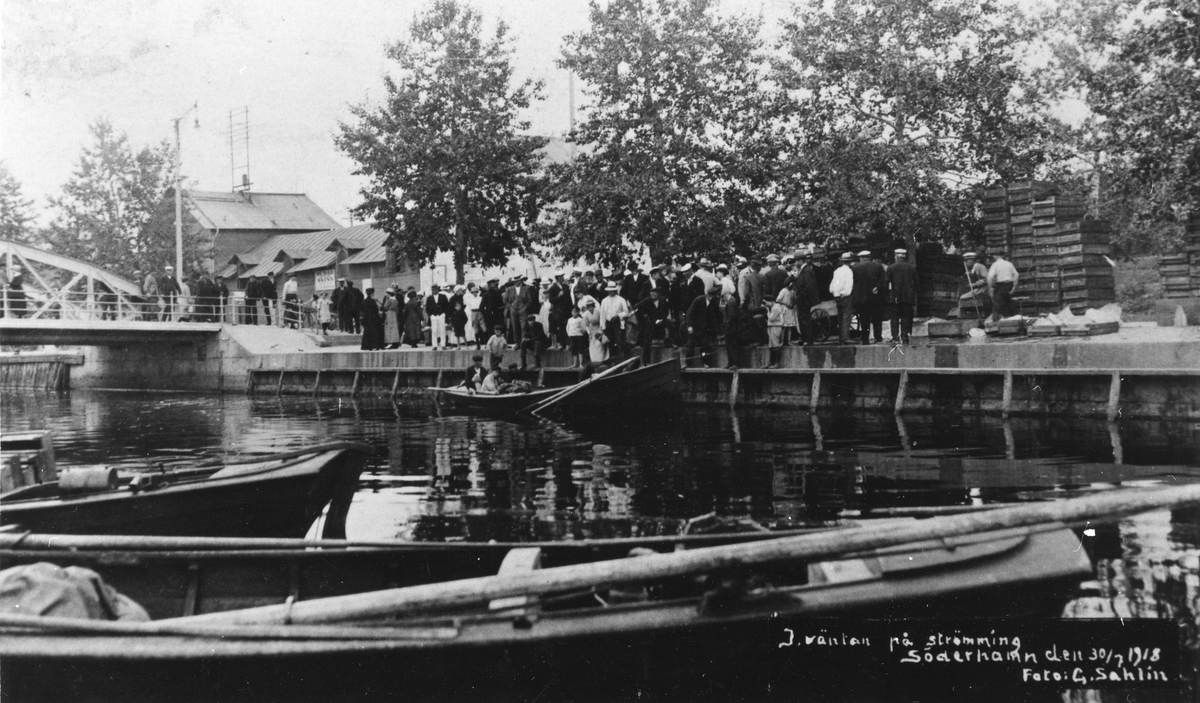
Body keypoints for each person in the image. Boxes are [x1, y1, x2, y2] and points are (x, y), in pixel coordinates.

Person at [851, 250, 885, 345]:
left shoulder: (855, 268)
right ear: (869, 256)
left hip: (862, 298)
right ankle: (878, 337)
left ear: (861, 258)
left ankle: (865, 339)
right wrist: (877, 287)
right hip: (875, 297)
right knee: (877, 318)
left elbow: (853, 283)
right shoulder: (878, 266)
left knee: (864, 319)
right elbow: (883, 280)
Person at [685, 285, 723, 368]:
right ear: (709, 295)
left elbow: (715, 316)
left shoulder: (714, 302)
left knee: (705, 345)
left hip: (704, 328)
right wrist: (689, 326)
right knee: (691, 345)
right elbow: (689, 313)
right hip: (694, 327)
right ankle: (688, 363)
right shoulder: (699, 300)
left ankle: (705, 362)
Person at [888, 249, 918, 344]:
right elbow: (916, 283)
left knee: (894, 318)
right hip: (908, 298)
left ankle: (895, 337)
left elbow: (887, 282)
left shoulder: (891, 267)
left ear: (896, 257)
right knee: (906, 317)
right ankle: (905, 337)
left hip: (895, 297)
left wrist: (889, 295)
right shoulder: (911, 268)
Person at [634, 287, 671, 364]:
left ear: (658, 294)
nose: (653, 295)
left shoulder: (663, 300)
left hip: (660, 320)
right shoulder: (646, 301)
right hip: (650, 322)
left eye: (655, 293)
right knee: (647, 339)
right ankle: (645, 360)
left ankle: (669, 344)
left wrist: (662, 319)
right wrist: (644, 314)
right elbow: (637, 307)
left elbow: (666, 311)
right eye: (652, 293)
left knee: (669, 325)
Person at [792, 252, 820, 346]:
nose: (795, 263)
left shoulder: (806, 270)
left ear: (800, 260)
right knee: (803, 319)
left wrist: (800, 296)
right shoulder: (803, 270)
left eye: (796, 261)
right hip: (803, 299)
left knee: (805, 319)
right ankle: (805, 339)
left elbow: (809, 286)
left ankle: (808, 340)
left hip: (805, 299)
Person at [598, 282, 631, 361]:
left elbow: (626, 312)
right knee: (610, 342)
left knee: (619, 341)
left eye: (612, 290)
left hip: (618, 323)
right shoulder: (604, 301)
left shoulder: (621, 299)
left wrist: (619, 316)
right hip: (608, 323)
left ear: (615, 290)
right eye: (609, 290)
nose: (610, 292)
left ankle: (622, 359)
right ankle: (612, 360)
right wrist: (603, 326)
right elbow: (602, 315)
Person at [830, 252, 855, 345]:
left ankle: (841, 337)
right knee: (846, 316)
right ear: (850, 261)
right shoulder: (849, 271)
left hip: (837, 296)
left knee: (840, 317)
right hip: (846, 296)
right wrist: (844, 294)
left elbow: (832, 285)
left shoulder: (837, 271)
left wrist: (836, 294)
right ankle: (845, 337)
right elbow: (848, 286)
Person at [987, 252, 1019, 321]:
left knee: (996, 305)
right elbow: (1016, 275)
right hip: (1009, 285)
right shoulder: (1009, 264)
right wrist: (1014, 287)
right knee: (1010, 304)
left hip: (1001, 285)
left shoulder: (995, 265)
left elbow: (990, 277)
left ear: (995, 256)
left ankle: (995, 323)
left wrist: (990, 288)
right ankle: (1014, 321)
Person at [960, 252, 991, 320]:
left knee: (962, 298)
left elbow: (987, 279)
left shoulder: (980, 267)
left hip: (983, 290)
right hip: (976, 290)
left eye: (967, 261)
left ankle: (961, 316)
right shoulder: (971, 269)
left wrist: (975, 284)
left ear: (972, 260)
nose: (965, 263)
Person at [464, 282, 483, 348]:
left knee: (476, 326)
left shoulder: (479, 296)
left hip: (475, 311)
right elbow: (466, 304)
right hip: (469, 311)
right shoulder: (466, 295)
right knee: (469, 326)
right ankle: (469, 339)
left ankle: (476, 340)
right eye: (470, 287)